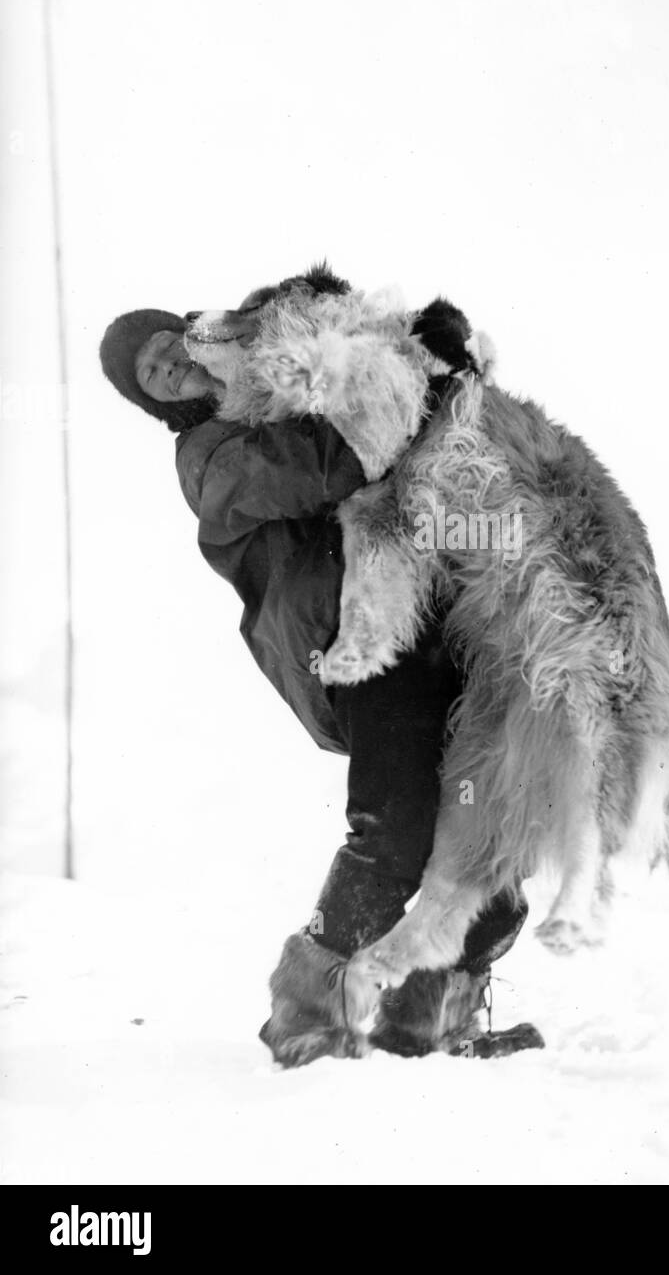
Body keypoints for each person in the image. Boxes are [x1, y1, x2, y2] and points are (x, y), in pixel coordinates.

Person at [99, 270, 544, 1065]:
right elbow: (322, 463)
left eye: (168, 346)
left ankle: (436, 1018)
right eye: (152, 375)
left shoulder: (283, 376)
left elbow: (379, 380)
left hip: (441, 620)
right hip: (358, 646)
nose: (168, 365)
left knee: (488, 822)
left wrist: (443, 367)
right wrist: (419, 400)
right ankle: (308, 1013)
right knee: (397, 829)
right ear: (154, 402)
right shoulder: (209, 457)